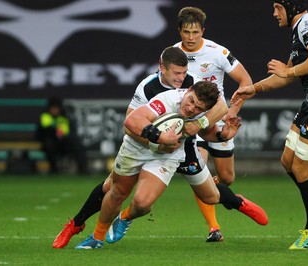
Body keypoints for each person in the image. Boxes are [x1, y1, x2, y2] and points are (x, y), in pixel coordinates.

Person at [52, 47, 266, 248]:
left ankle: (237, 202)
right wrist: (160, 140)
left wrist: (210, 130)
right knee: (114, 189)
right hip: (144, 145)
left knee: (208, 196)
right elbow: (130, 125)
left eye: (184, 73)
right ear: (162, 68)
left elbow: (219, 107)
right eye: (177, 73)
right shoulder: (152, 90)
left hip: (180, 148)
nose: (181, 78)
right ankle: (82, 227)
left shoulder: (195, 87)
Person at [231, 0, 308, 249]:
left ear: (292, 7)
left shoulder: (307, 23)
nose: (274, 13)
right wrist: (252, 88)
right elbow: (285, 75)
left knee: (302, 168)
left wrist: (288, 72)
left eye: (277, 7)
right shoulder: (300, 29)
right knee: (287, 161)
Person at [173, 7, 253, 241]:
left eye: (195, 32)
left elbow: (246, 80)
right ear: (179, 30)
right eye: (186, 32)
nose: (190, 37)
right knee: (199, 170)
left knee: (227, 178)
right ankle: (214, 228)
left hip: (217, 121)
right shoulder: (172, 54)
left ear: (202, 31)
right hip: (191, 123)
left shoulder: (218, 52)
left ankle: (219, 191)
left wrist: (233, 110)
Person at [37, 98, 87, 174]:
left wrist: (62, 135)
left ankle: (83, 169)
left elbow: (69, 132)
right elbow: (43, 132)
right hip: (51, 142)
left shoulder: (64, 118)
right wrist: (55, 133)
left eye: (56, 108)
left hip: (63, 142)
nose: (54, 110)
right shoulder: (45, 117)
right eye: (53, 108)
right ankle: (53, 169)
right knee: (49, 144)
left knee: (77, 144)